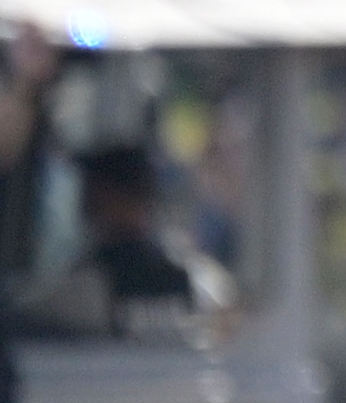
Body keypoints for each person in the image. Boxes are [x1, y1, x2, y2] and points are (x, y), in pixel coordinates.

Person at [16, 142, 236, 339]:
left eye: (92, 187)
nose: (85, 198)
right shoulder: (189, 281)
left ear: (110, 195)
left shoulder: (86, 284)